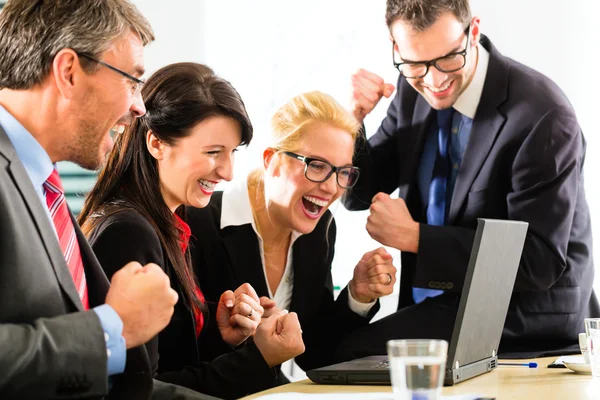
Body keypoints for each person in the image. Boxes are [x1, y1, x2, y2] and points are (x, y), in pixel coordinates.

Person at [337, 0, 599, 361]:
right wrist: (350, 119)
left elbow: (539, 260)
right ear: (396, 49)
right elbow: (358, 193)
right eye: (416, 63)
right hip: (444, 306)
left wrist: (415, 238)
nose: (434, 80)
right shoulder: (411, 87)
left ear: (473, 31)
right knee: (336, 350)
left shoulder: (543, 114)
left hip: (524, 314)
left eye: (448, 58)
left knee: (343, 354)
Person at [0, 1, 212, 399]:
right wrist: (111, 329)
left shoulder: (42, 184)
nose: (139, 107)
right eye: (131, 81)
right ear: (68, 73)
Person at [78, 62, 305, 399]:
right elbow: (140, 389)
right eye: (213, 152)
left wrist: (217, 329)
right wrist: (257, 359)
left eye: (232, 153)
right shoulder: (129, 232)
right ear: (156, 144)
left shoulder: (169, 222)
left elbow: (170, 356)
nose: (227, 173)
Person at [185, 91, 398, 375]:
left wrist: (357, 297)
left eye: (343, 172)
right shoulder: (197, 222)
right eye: (317, 166)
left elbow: (314, 353)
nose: (332, 188)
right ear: (272, 161)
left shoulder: (319, 230)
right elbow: (181, 358)